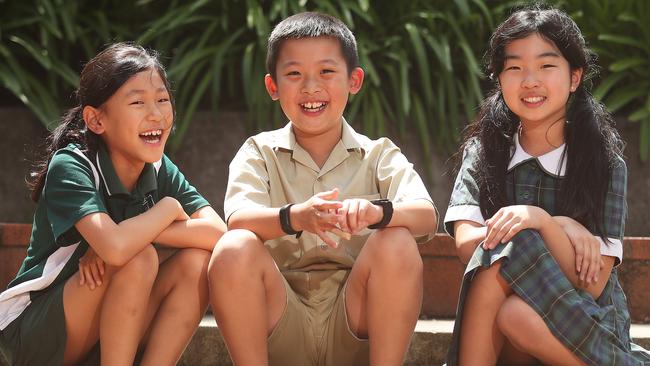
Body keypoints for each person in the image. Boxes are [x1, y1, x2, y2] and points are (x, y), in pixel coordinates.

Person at [208, 12, 437, 366]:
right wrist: (296, 217)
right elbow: (238, 220)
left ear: (354, 80)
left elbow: (426, 216)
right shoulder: (258, 151)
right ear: (273, 87)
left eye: (327, 72)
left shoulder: (378, 154)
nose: (311, 87)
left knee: (397, 238)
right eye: (294, 74)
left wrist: (378, 212)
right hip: (281, 319)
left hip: (355, 320)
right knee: (233, 247)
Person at [444, 6, 650, 365]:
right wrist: (557, 227)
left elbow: (594, 283)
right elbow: (466, 245)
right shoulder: (485, 151)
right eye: (515, 68)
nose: (530, 81)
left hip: (585, 323)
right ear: (499, 78)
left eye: (546, 65)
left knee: (515, 296)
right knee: (510, 283)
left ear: (574, 77)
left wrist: (540, 220)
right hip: (505, 325)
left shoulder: (603, 163)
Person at [0, 43, 226, 366]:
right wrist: (164, 212)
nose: (157, 114)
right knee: (137, 257)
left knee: (196, 263)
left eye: (163, 99)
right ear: (96, 120)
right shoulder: (72, 165)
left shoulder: (159, 167)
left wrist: (133, 234)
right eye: (138, 102)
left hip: (102, 327)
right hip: (31, 335)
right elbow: (118, 249)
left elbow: (218, 233)